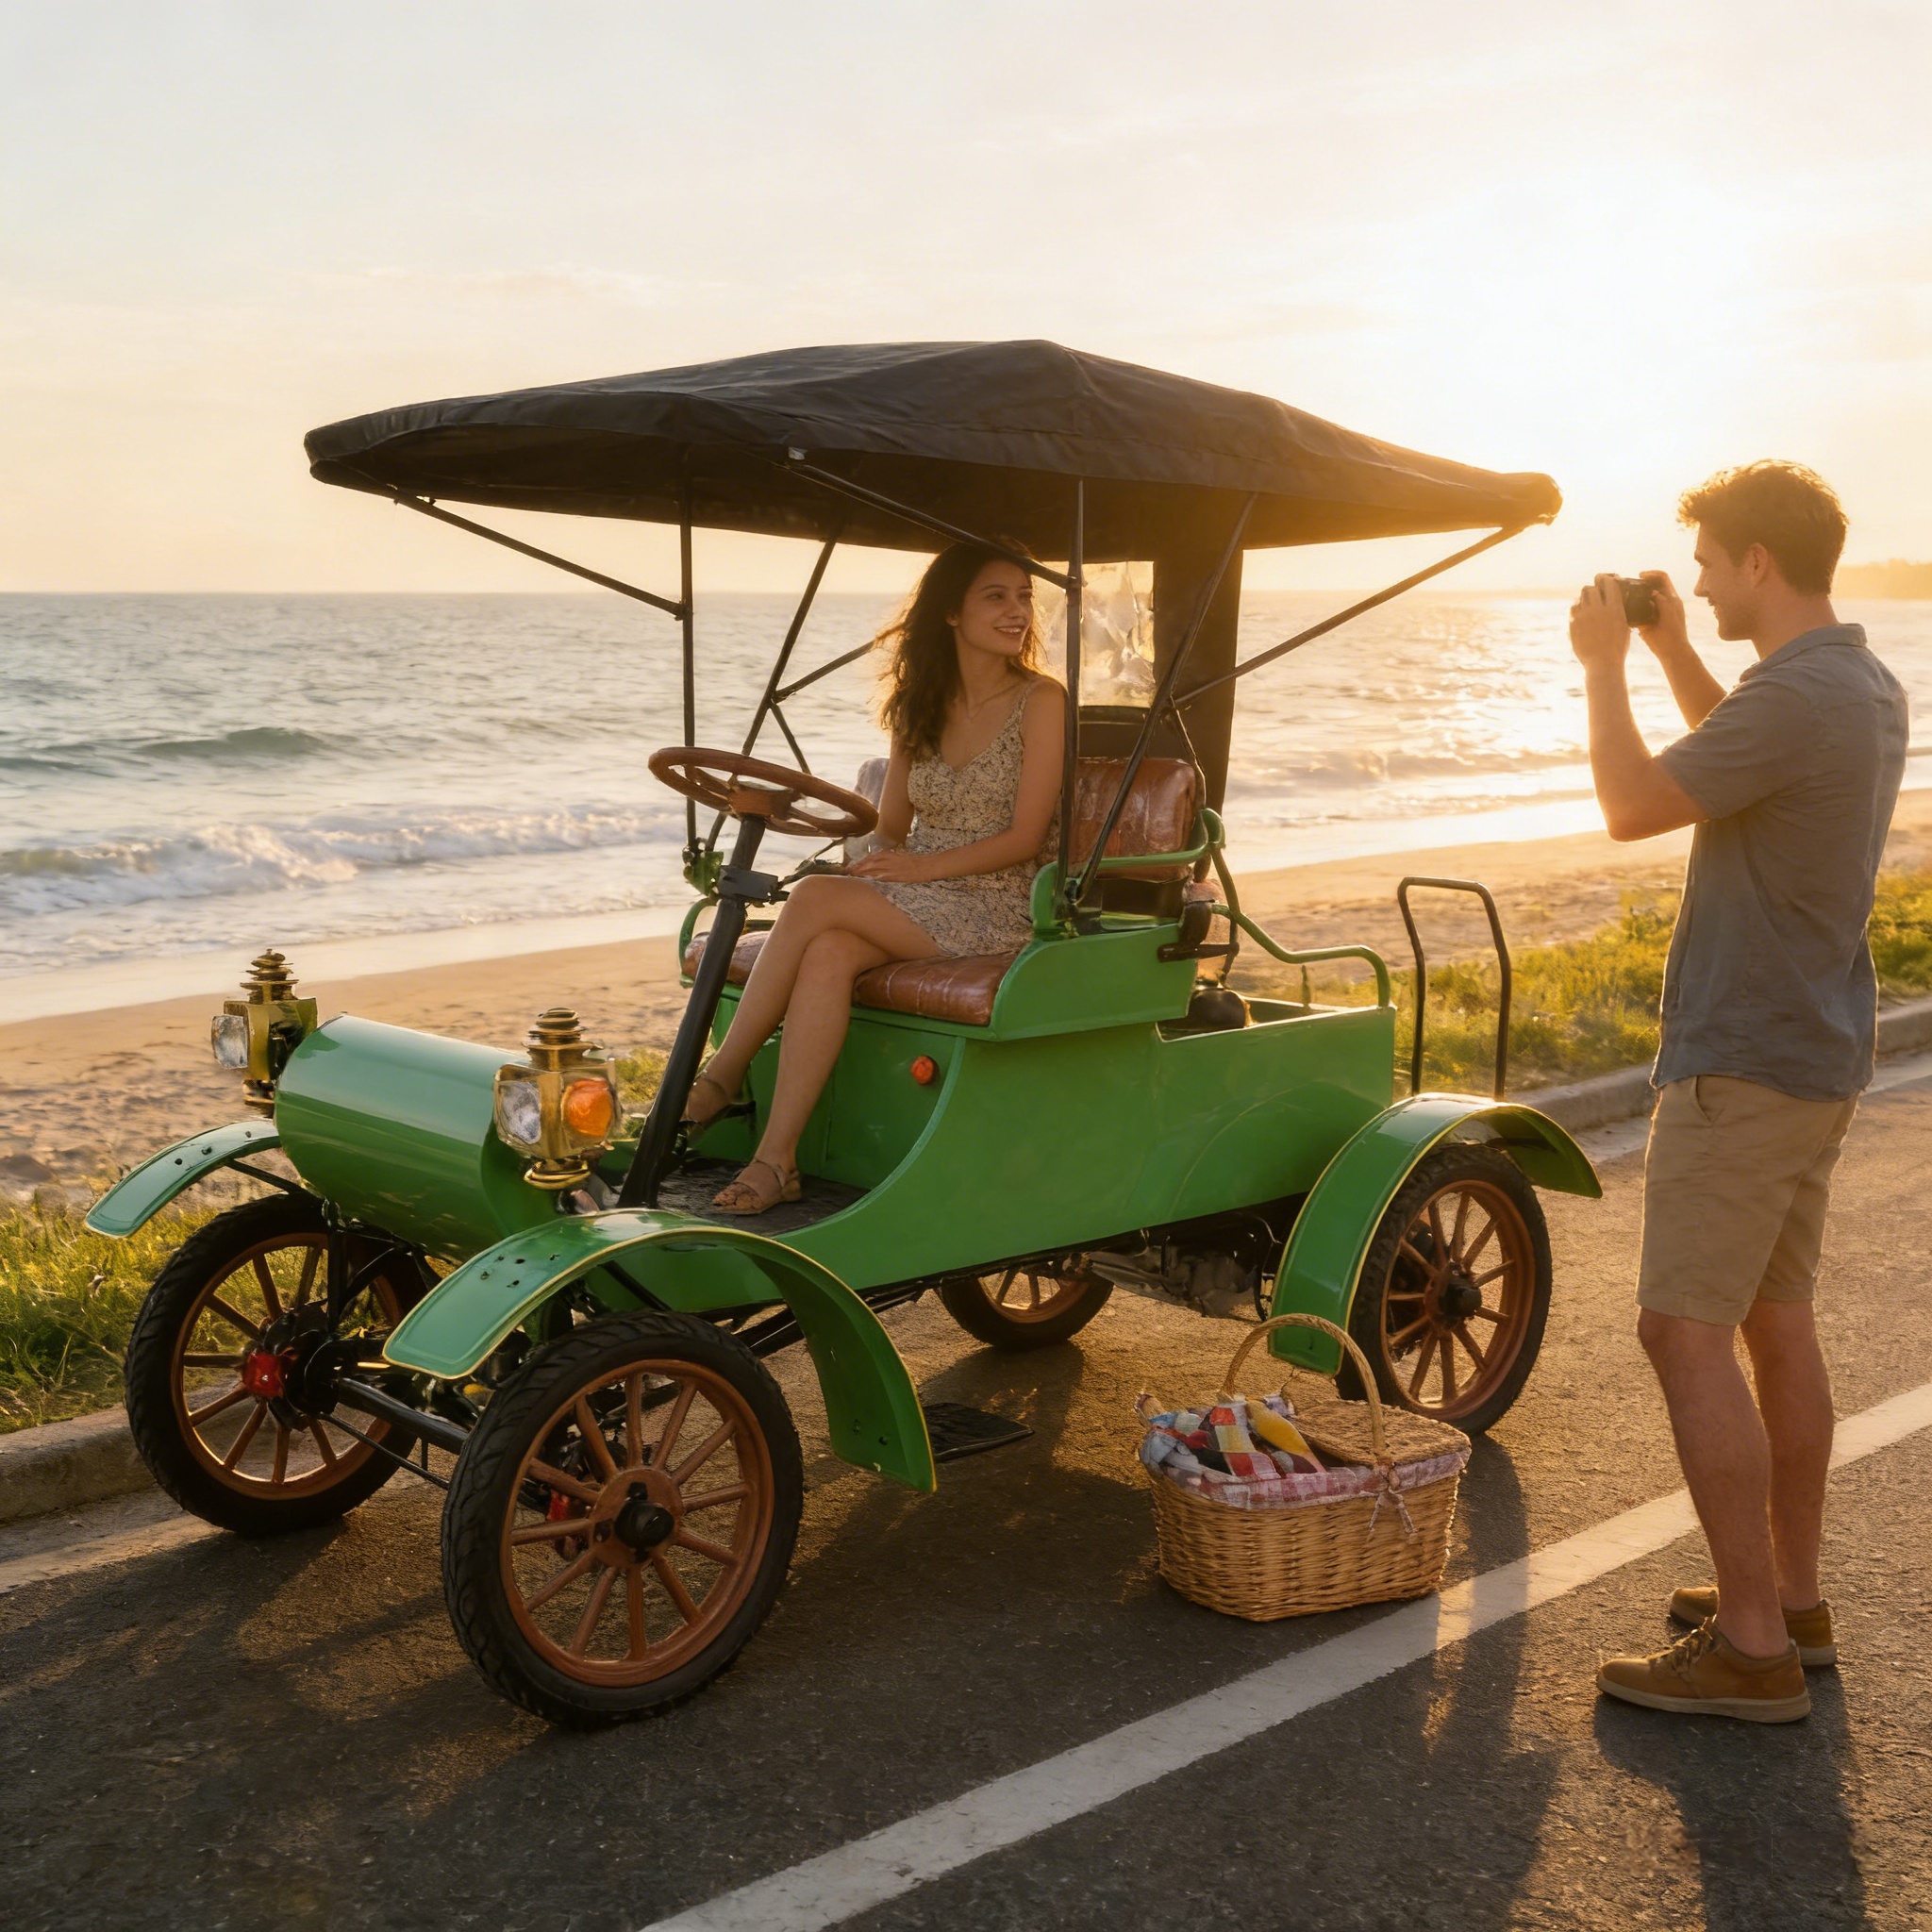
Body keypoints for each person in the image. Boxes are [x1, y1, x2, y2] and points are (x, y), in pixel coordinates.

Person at [1571, 461, 1907, 1723]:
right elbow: (1730, 750)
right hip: (1812, 1049)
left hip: (1745, 1060)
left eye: (1709, 561)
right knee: (1777, 1325)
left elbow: (1630, 805)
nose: (1699, 580)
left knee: (1682, 1332)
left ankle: (1754, 1649)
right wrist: (1664, 651)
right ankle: (1791, 1602)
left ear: (1758, 562)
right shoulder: (1853, 682)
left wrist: (1603, 662)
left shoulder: (1802, 697)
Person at [682, 541, 1067, 1215]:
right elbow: (892, 826)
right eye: (996, 596)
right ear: (951, 612)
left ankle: (720, 1077)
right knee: (828, 948)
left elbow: (1025, 839)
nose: (1017, 612)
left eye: (1024, 596)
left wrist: (912, 868)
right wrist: (865, 860)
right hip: (926, 894)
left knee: (816, 900)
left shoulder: (1041, 700)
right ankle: (777, 1161)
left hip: (1004, 901)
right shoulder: (920, 703)